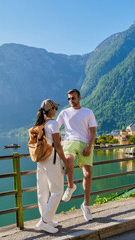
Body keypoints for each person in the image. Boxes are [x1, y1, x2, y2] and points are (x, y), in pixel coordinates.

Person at [57, 89, 97, 221]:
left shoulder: (88, 112)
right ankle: (70, 186)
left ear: (79, 98)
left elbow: (93, 132)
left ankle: (86, 205)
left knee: (88, 174)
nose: (71, 101)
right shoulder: (64, 113)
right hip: (70, 142)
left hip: (85, 143)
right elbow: (55, 128)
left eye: (73, 98)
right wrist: (60, 140)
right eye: (69, 99)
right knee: (68, 160)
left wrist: (88, 146)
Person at [35, 99, 70, 234]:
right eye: (55, 107)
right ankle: (44, 222)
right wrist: (66, 162)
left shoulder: (40, 124)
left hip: (40, 160)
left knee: (42, 192)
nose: (56, 109)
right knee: (57, 191)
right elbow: (58, 145)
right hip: (52, 160)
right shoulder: (53, 124)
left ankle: (47, 219)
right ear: (51, 110)